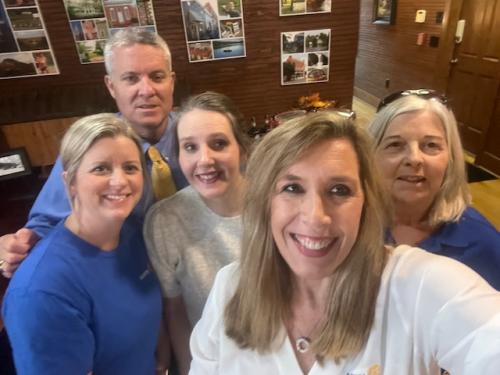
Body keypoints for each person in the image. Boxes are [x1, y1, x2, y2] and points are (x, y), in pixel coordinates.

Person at [189, 111, 500, 374]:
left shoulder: (418, 287)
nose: (315, 217)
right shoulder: (230, 287)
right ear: (264, 203)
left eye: (339, 190)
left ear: (366, 202)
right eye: (292, 188)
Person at [0, 27, 187, 278]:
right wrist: (18, 244)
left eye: (157, 76)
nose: (146, 90)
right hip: (129, 279)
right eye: (131, 78)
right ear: (111, 86)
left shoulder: (198, 139)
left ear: (171, 82)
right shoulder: (90, 147)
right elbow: (45, 224)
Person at [2, 113, 162, 373]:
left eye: (130, 167)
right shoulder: (42, 291)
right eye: (101, 168)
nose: (120, 181)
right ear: (70, 182)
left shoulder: (134, 234)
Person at [144, 91, 251, 375]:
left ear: (242, 149)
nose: (205, 160)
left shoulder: (278, 208)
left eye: (218, 144)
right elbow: (176, 312)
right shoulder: (165, 221)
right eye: (190, 147)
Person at [369, 89, 500, 290]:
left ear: (451, 158)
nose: (414, 158)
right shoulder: (352, 223)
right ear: (371, 156)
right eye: (395, 144)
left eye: (430, 145)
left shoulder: (484, 244)